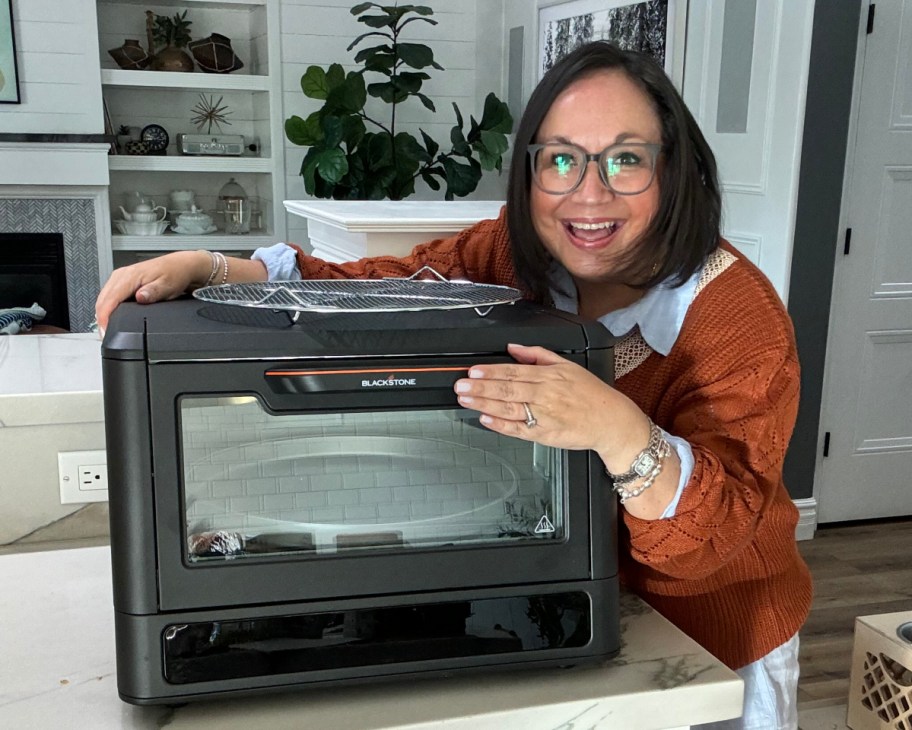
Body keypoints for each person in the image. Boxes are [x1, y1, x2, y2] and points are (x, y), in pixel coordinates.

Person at [95, 42, 812, 729]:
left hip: (711, 647)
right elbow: (389, 288)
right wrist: (219, 268)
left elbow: (713, 539)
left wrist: (619, 431)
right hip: (565, 632)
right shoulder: (512, 250)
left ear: (675, 169)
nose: (588, 196)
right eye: (560, 160)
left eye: (625, 160)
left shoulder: (737, 319)